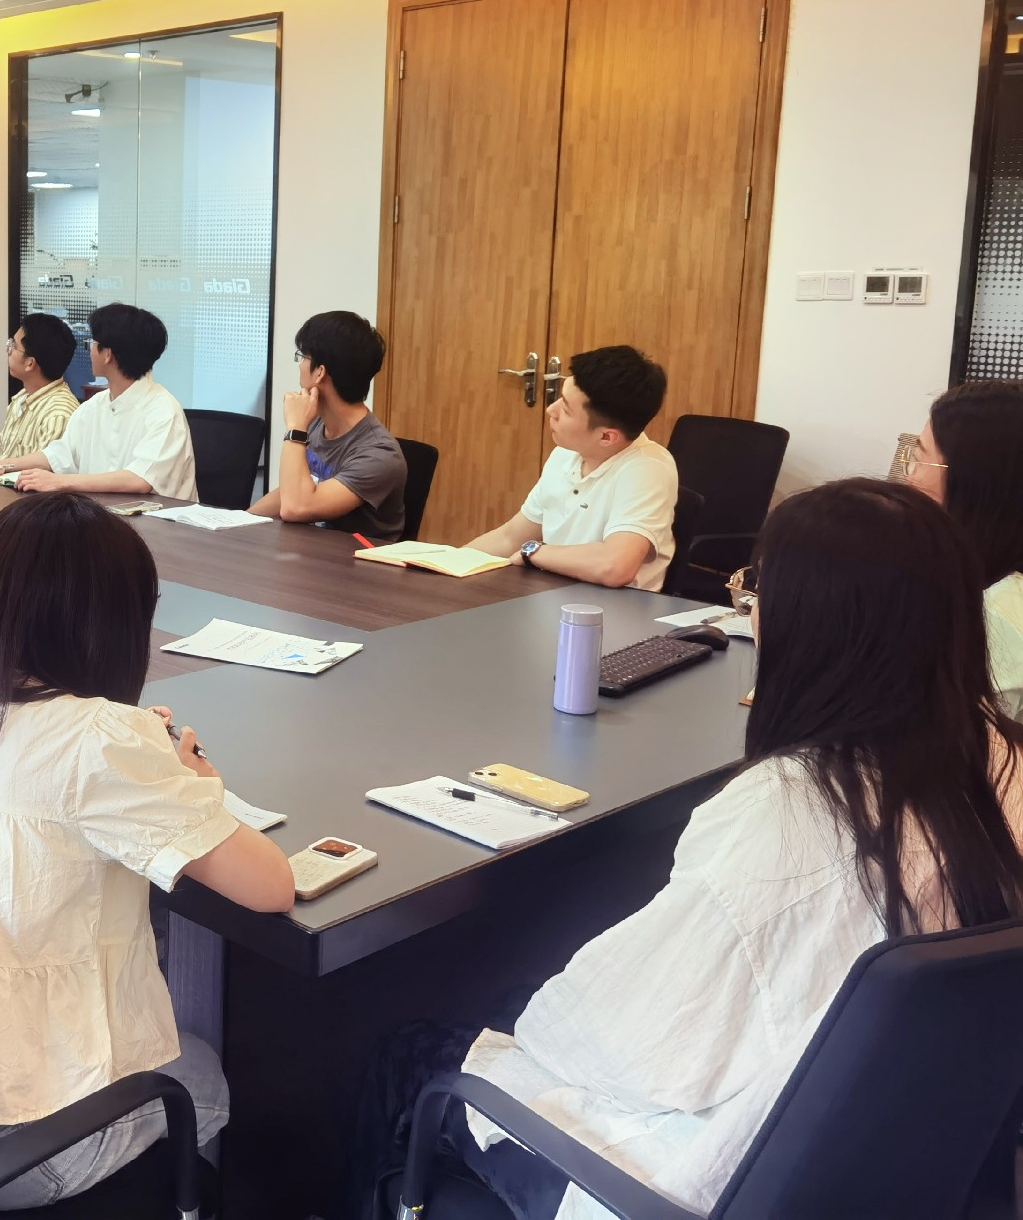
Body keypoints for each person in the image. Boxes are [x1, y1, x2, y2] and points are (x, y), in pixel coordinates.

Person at [348, 479, 1023, 1220]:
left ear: (805, 622)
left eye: (758, 587)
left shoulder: (790, 811)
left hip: (682, 1180)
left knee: (413, 1051)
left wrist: (538, 1013)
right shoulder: (1001, 761)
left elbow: (626, 1048)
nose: (751, 606)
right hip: (897, 1158)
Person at [0, 492, 293, 1210]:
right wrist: (201, 785)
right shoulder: (99, 741)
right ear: (116, 627)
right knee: (200, 1073)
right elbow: (271, 887)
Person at [466, 346, 676, 589]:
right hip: (550, 594)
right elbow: (510, 537)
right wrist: (447, 562)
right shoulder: (566, 453)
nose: (550, 410)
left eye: (565, 409)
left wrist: (534, 552)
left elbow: (615, 566)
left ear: (606, 437)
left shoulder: (647, 469)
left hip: (609, 607)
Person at [0, 304, 196, 500]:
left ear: (107, 354)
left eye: (92, 343)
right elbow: (58, 455)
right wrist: (2, 465)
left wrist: (59, 482)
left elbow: (139, 479)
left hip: (160, 526)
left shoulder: (163, 410)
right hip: (104, 518)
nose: (89, 350)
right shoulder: (95, 406)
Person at [900, 379, 1023, 720]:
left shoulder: (998, 614)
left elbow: (954, 739)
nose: (908, 479)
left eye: (919, 460)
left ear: (972, 482)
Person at [249, 311, 407, 539]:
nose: (300, 365)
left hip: (355, 560)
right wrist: (241, 521)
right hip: (309, 552)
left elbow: (296, 507)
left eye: (303, 357)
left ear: (320, 372)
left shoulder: (379, 454)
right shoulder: (316, 423)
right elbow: (290, 492)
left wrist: (295, 429)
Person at [0, 312, 80, 472]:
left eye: (13, 346)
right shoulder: (21, 398)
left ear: (30, 363)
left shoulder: (58, 415)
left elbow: (42, 475)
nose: (8, 350)